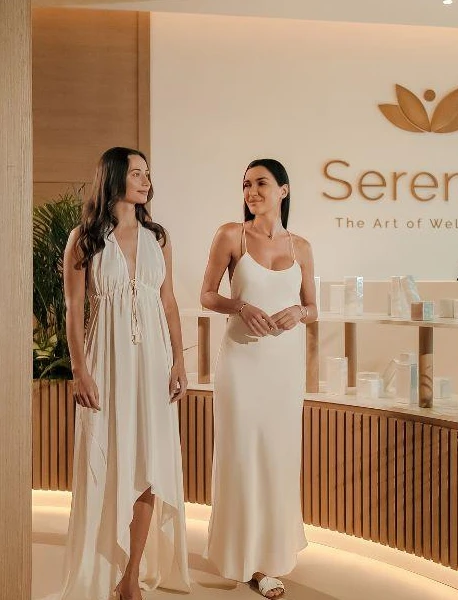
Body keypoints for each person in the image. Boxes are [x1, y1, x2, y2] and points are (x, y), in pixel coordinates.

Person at [58, 147, 192, 600]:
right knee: (108, 457)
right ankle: (100, 570)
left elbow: (168, 302)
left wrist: (179, 360)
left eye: (147, 173)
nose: (145, 180)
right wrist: (79, 370)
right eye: (137, 173)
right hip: (106, 361)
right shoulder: (84, 239)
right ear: (114, 178)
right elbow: (74, 310)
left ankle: (131, 577)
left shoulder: (159, 236)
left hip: (153, 361)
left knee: (150, 462)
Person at [199, 158, 318, 599]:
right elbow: (207, 293)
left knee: (278, 456)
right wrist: (240, 306)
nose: (251, 191)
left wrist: (297, 313)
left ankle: (270, 560)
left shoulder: (302, 246)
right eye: (246, 184)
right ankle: (240, 555)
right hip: (241, 363)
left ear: (283, 190)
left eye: (261, 183)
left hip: (284, 367)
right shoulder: (231, 234)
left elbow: (313, 306)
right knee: (241, 453)